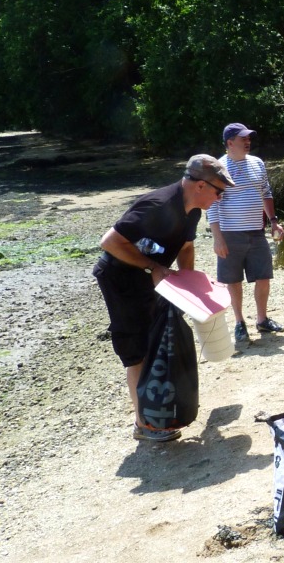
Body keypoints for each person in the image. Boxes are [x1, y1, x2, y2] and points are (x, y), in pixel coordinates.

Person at [92, 155, 234, 442]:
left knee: (158, 343)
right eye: (218, 192)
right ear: (200, 185)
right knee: (138, 351)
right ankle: (143, 424)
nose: (220, 198)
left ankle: (157, 413)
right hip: (121, 280)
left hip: (152, 280)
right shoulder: (156, 205)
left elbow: (186, 248)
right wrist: (154, 268)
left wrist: (188, 288)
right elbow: (109, 242)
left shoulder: (192, 210)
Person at [207, 122, 284, 343]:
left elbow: (265, 192)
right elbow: (212, 205)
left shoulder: (257, 163)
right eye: (243, 139)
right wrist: (217, 238)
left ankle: (262, 319)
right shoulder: (218, 168)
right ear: (230, 143)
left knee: (263, 276)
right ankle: (240, 323)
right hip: (230, 233)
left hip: (256, 231)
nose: (248, 141)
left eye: (249, 138)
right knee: (233, 280)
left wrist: (273, 221)